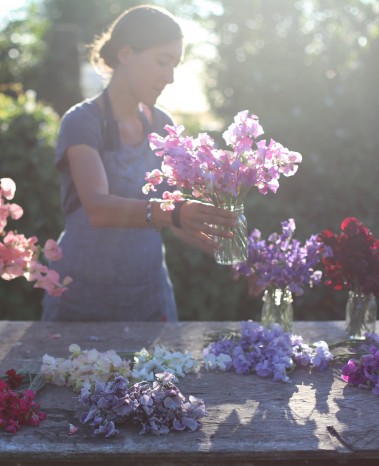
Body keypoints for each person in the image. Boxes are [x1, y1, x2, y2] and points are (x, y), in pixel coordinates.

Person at [41, 4, 238, 322]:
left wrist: (225, 247)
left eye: (175, 65)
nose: (171, 77)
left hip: (149, 299)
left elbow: (174, 214)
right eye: (163, 61)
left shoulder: (162, 125)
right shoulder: (82, 122)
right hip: (80, 298)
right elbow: (99, 208)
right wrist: (175, 212)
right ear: (126, 53)